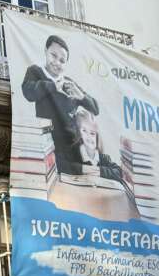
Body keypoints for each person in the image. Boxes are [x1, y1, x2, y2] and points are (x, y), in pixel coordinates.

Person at [21, 34, 99, 172]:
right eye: (53, 55)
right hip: (48, 143)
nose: (57, 62)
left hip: (72, 146)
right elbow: (28, 92)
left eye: (62, 60)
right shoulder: (35, 72)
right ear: (46, 51)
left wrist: (81, 96)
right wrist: (53, 86)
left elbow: (95, 108)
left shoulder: (69, 83)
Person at [57, 108, 123, 182]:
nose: (89, 137)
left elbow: (119, 172)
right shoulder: (73, 154)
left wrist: (99, 171)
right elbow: (59, 164)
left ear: (97, 136)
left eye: (92, 133)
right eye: (84, 131)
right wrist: (84, 169)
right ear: (78, 133)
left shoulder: (103, 158)